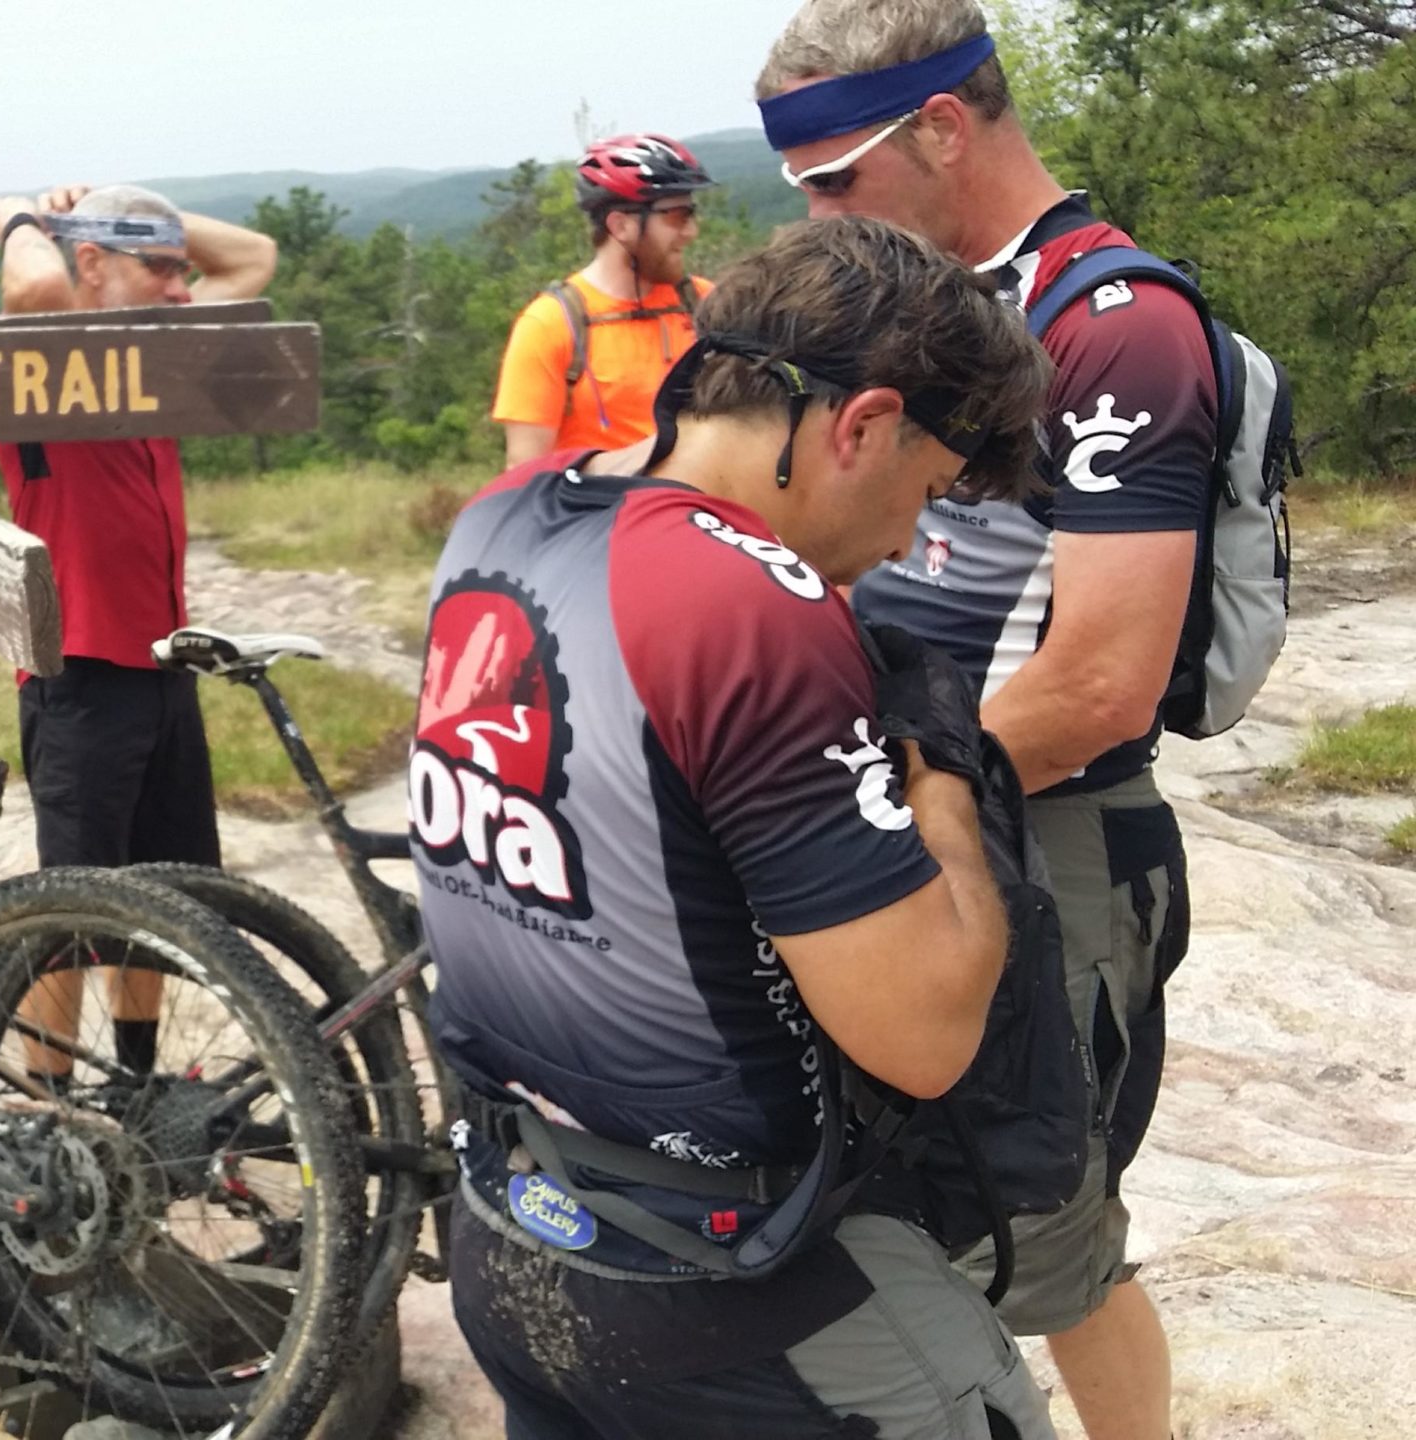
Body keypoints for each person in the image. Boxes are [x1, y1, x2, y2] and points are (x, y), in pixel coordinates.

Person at [419, 215, 1056, 1438]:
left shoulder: (501, 517)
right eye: (923, 492)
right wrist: (940, 769)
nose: (908, 541)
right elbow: (922, 1031)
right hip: (731, 1279)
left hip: (512, 1221)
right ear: (860, 425)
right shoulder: (744, 597)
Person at [758, 6, 1216, 1435]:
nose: (821, 222)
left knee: (1050, 1233)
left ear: (944, 127)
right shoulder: (905, 303)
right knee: (904, 1205)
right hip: (910, 803)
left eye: (837, 181)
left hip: (1046, 831)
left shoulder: (1117, 328)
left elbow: (1101, 680)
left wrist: (861, 803)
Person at [0, 184, 277, 1082]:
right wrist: (25, 218)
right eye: (159, 268)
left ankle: (138, 1085)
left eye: (182, 271)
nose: (184, 288)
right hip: (80, 677)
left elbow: (253, 258)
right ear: (93, 266)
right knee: (67, 916)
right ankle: (53, 1101)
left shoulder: (158, 353)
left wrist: (132, 199)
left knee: (159, 896)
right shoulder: (39, 358)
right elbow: (33, 290)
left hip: (161, 670)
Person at [490, 135, 716, 466]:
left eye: (691, 214)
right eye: (677, 216)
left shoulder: (705, 304)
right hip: (602, 513)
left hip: (701, 509)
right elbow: (525, 473)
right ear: (620, 225)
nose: (691, 231)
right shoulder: (552, 325)